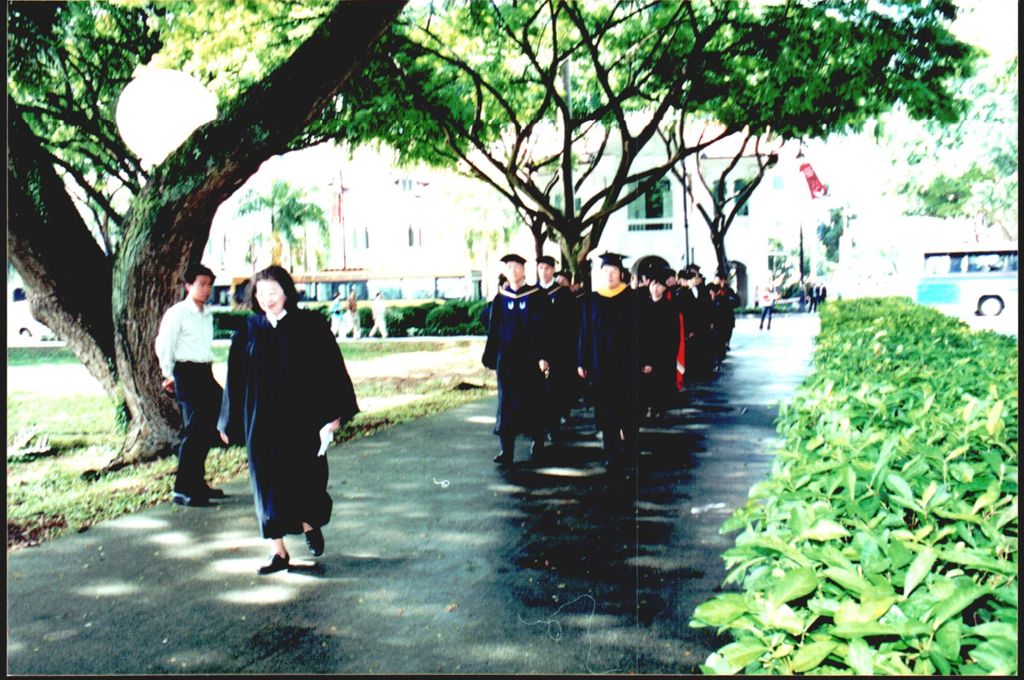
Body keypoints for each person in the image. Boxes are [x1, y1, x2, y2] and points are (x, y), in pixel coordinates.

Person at [218, 265, 359, 575]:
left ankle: (310, 525)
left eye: (274, 292)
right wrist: (227, 422)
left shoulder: (309, 325)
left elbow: (332, 370)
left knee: (307, 479)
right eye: (261, 293)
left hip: (302, 419)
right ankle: (279, 552)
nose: (267, 299)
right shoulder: (248, 331)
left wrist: (335, 414)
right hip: (262, 422)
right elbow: (235, 380)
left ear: (286, 293)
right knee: (266, 486)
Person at [155, 262, 225, 507]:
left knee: (208, 429)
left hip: (205, 372)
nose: (206, 289)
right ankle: (182, 489)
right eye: (201, 284)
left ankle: (198, 483)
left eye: (209, 285)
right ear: (188, 285)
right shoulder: (177, 313)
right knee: (193, 431)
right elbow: (164, 345)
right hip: (186, 372)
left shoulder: (207, 314)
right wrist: (169, 374)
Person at [482, 254, 550, 465]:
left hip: (530, 360)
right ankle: (506, 450)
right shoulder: (501, 298)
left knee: (534, 401)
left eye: (516, 266)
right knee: (506, 404)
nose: (512, 270)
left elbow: (545, 329)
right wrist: (491, 358)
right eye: (509, 267)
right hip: (508, 361)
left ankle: (538, 442)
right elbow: (493, 329)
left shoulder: (537, 296)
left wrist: (543, 356)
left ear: (523, 270)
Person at [578, 252, 641, 472]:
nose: (610, 275)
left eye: (614, 271)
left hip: (626, 365)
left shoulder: (632, 298)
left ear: (621, 273)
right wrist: (581, 361)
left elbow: (642, 333)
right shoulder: (592, 300)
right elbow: (584, 333)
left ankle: (631, 450)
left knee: (628, 409)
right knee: (606, 412)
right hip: (600, 366)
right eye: (606, 272)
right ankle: (612, 453)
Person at [536, 255, 576, 440]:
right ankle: (538, 429)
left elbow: (571, 325)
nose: (543, 272)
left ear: (553, 270)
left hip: (559, 351)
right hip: (536, 353)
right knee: (537, 392)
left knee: (554, 391)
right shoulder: (531, 293)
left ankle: (552, 427)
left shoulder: (563, 293)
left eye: (547, 268)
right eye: (540, 268)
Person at [639, 268, 681, 420]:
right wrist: (645, 358)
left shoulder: (670, 308)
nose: (656, 289)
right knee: (646, 385)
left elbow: (673, 336)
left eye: (660, 285)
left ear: (664, 288)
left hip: (664, 355)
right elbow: (639, 335)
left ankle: (659, 407)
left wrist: (663, 357)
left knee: (661, 384)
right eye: (653, 285)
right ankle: (648, 407)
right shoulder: (642, 307)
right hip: (645, 355)